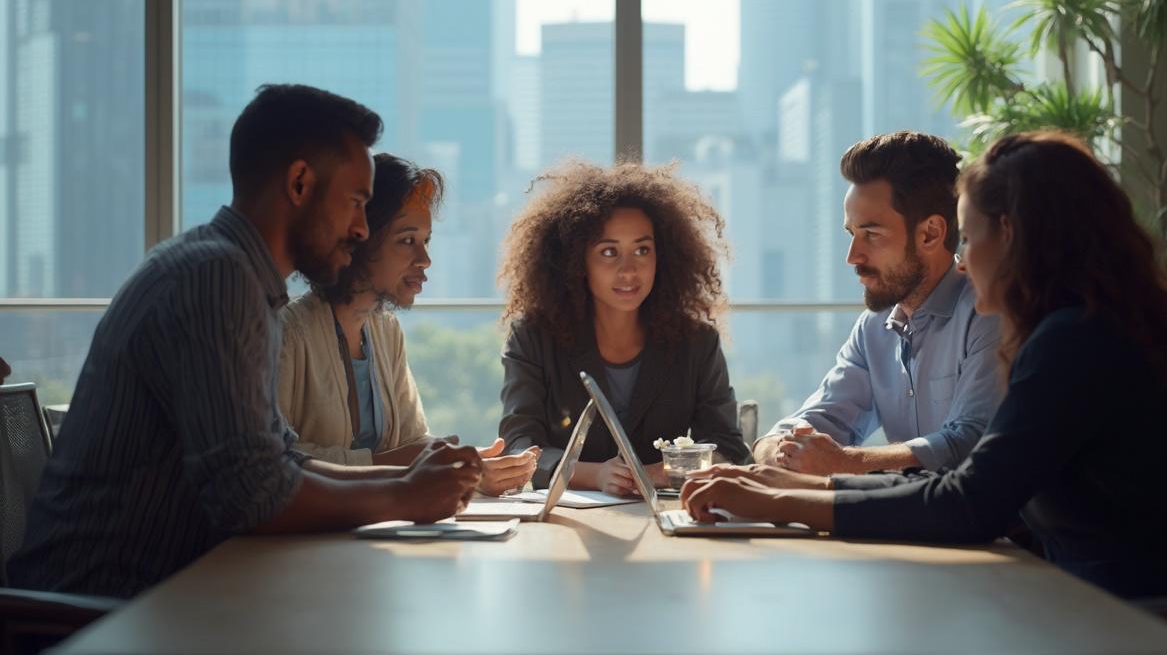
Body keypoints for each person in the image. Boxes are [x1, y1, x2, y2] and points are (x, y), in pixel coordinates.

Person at [681, 131, 1167, 599]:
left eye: (969, 237)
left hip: (1155, 628)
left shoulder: (1075, 342)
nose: (961, 259)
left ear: (1011, 238)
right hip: (1092, 607)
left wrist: (782, 499)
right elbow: (964, 487)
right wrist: (800, 483)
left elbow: (969, 503)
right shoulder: (1086, 327)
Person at [8, 85, 481, 599]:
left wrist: (406, 485)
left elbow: (279, 464)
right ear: (299, 183)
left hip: (168, 598)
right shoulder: (217, 278)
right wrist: (403, 497)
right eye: (356, 203)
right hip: (111, 611)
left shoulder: (235, 276)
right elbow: (251, 495)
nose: (362, 229)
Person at [278, 153, 538, 494]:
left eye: (426, 241)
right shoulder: (287, 333)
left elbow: (413, 443)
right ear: (359, 238)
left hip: (375, 532)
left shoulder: (385, 330)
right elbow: (278, 461)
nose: (425, 260)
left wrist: (466, 467)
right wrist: (410, 462)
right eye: (407, 240)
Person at [498, 161, 751, 495]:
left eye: (642, 250)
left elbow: (728, 447)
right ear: (576, 261)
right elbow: (519, 446)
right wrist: (594, 475)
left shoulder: (697, 342)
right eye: (608, 252)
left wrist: (661, 472)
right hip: (572, 530)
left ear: (663, 256)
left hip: (667, 520)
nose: (629, 269)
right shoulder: (533, 338)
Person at [754, 131, 1001, 476]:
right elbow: (822, 417)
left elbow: (971, 441)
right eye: (851, 234)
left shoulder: (988, 312)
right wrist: (776, 447)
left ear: (930, 233)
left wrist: (847, 462)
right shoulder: (874, 328)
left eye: (871, 234)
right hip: (906, 524)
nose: (853, 257)